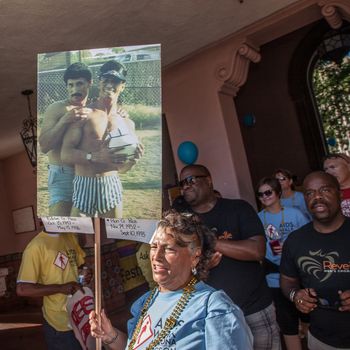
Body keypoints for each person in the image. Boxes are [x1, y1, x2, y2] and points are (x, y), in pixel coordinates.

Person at [89, 210, 253, 349]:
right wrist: (111, 336)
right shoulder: (145, 303)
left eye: (168, 249)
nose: (157, 257)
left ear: (195, 256)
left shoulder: (214, 308)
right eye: (154, 246)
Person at [176, 164, 281, 350]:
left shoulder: (238, 208)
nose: (185, 186)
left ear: (208, 181)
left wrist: (212, 241)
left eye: (190, 180)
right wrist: (203, 267)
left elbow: (256, 251)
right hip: (215, 318)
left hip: (254, 309)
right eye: (182, 183)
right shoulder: (183, 225)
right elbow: (178, 271)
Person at [61, 60, 143, 218]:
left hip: (111, 184)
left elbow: (122, 169)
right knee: (76, 238)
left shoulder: (127, 123)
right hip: (85, 184)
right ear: (99, 83)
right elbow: (65, 154)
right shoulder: (84, 114)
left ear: (123, 86)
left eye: (115, 81)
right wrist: (94, 156)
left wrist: (133, 161)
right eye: (106, 80)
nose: (110, 85)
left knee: (114, 238)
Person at [280, 171, 350, 349]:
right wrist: (296, 296)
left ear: (340, 194)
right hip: (321, 340)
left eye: (325, 190)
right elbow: (287, 281)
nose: (317, 197)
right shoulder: (295, 240)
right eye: (310, 193)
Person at [256, 177, 309, 350]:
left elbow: (310, 240)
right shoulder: (257, 218)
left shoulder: (295, 214)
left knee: (308, 318)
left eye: (268, 192)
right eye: (261, 194)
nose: (264, 197)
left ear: (278, 193)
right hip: (273, 278)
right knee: (288, 325)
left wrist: (290, 246)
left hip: (300, 275)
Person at [16, 230, 92, 350]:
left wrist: (85, 273)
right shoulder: (35, 247)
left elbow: (78, 267)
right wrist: (61, 288)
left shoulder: (69, 236)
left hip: (80, 315)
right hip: (59, 323)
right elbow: (23, 289)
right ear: (42, 217)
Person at [39, 62, 93, 216]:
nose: (74, 89)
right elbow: (44, 146)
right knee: (60, 229)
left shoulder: (95, 110)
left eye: (79, 84)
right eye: (70, 85)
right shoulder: (56, 108)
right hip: (62, 175)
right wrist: (64, 121)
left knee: (84, 233)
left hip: (87, 176)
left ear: (89, 83)